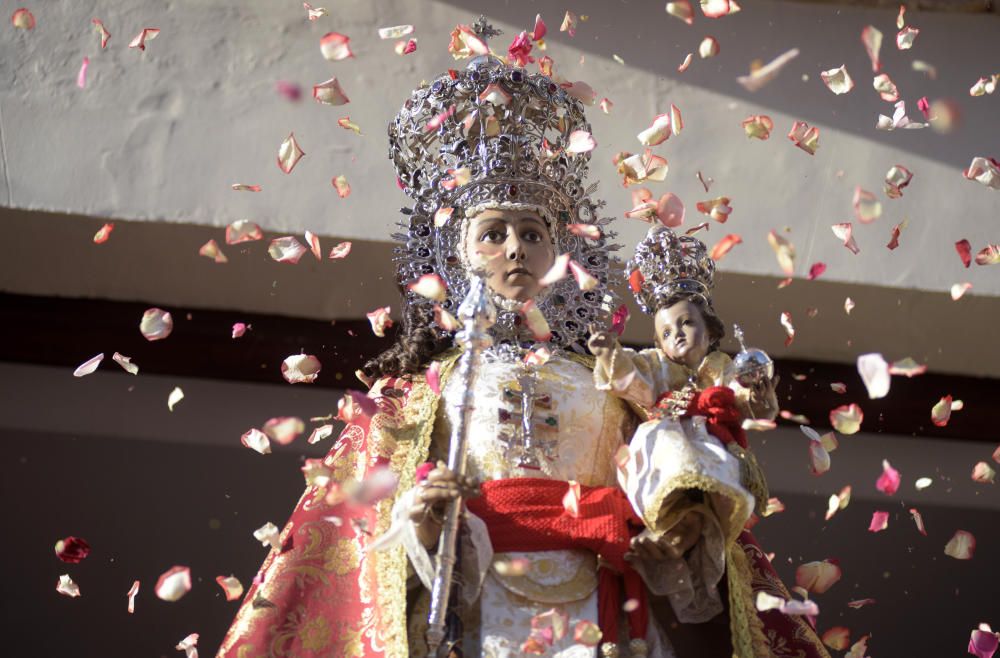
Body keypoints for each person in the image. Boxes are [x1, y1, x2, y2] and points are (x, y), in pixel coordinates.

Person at [217, 43, 830, 658]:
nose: (515, 248)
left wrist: (683, 512)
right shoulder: (424, 390)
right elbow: (367, 529)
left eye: (531, 233)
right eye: (493, 233)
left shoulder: (611, 374)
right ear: (457, 256)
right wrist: (421, 521)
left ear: (557, 254)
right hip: (480, 603)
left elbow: (672, 460)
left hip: (602, 607)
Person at [588, 225, 778, 638]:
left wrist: (761, 395)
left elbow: (748, 400)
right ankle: (672, 532)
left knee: (701, 512)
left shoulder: (722, 370)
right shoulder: (657, 366)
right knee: (666, 446)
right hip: (669, 449)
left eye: (686, 324)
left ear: (709, 331)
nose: (677, 336)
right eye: (666, 332)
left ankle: (683, 535)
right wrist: (609, 353)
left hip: (713, 452)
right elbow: (629, 379)